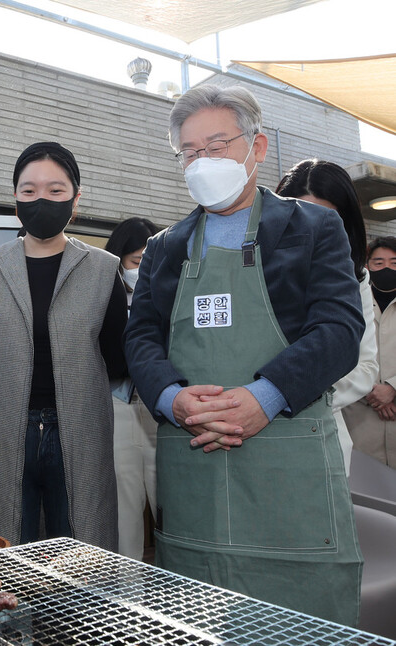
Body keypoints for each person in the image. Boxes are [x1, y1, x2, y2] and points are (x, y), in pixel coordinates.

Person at [123, 85, 364, 624]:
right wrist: (172, 397)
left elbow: (340, 329)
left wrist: (264, 396)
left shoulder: (314, 228)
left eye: (216, 145)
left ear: (256, 148)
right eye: (189, 152)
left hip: (288, 456)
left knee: (299, 622)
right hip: (194, 461)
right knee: (196, 616)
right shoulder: (166, 246)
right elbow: (140, 338)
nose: (202, 161)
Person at [0, 141, 127, 549]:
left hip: (81, 427)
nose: (41, 200)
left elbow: (116, 358)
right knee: (1, 543)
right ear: (15, 197)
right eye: (29, 190)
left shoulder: (104, 270)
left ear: (75, 198)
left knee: (80, 544)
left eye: (56, 191)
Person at [276, 159, 378, 474]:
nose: (312, 229)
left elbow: (365, 368)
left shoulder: (355, 279)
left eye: (326, 218)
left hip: (319, 436)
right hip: (246, 440)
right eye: (300, 215)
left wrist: (277, 396)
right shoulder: (248, 267)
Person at [105, 216, 160, 560]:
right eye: (137, 262)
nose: (143, 269)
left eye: (150, 261)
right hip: (118, 407)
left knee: (172, 512)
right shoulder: (104, 298)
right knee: (124, 515)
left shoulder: (170, 298)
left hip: (163, 411)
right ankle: (127, 600)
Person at [343, 236, 396, 468]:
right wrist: (372, 392)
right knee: (366, 490)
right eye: (379, 263)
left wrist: (392, 388)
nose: (387, 269)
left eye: (394, 263)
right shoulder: (352, 302)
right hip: (360, 415)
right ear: (367, 267)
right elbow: (340, 352)